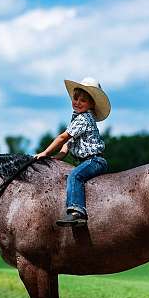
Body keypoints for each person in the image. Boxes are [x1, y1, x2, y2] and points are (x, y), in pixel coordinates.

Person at [35, 77, 111, 227]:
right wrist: (54, 159)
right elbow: (66, 147)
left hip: (94, 161)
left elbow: (63, 137)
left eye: (83, 100)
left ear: (91, 105)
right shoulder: (76, 120)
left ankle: (77, 213)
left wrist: (44, 153)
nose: (77, 102)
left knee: (74, 176)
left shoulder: (83, 119)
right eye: (76, 98)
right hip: (87, 161)